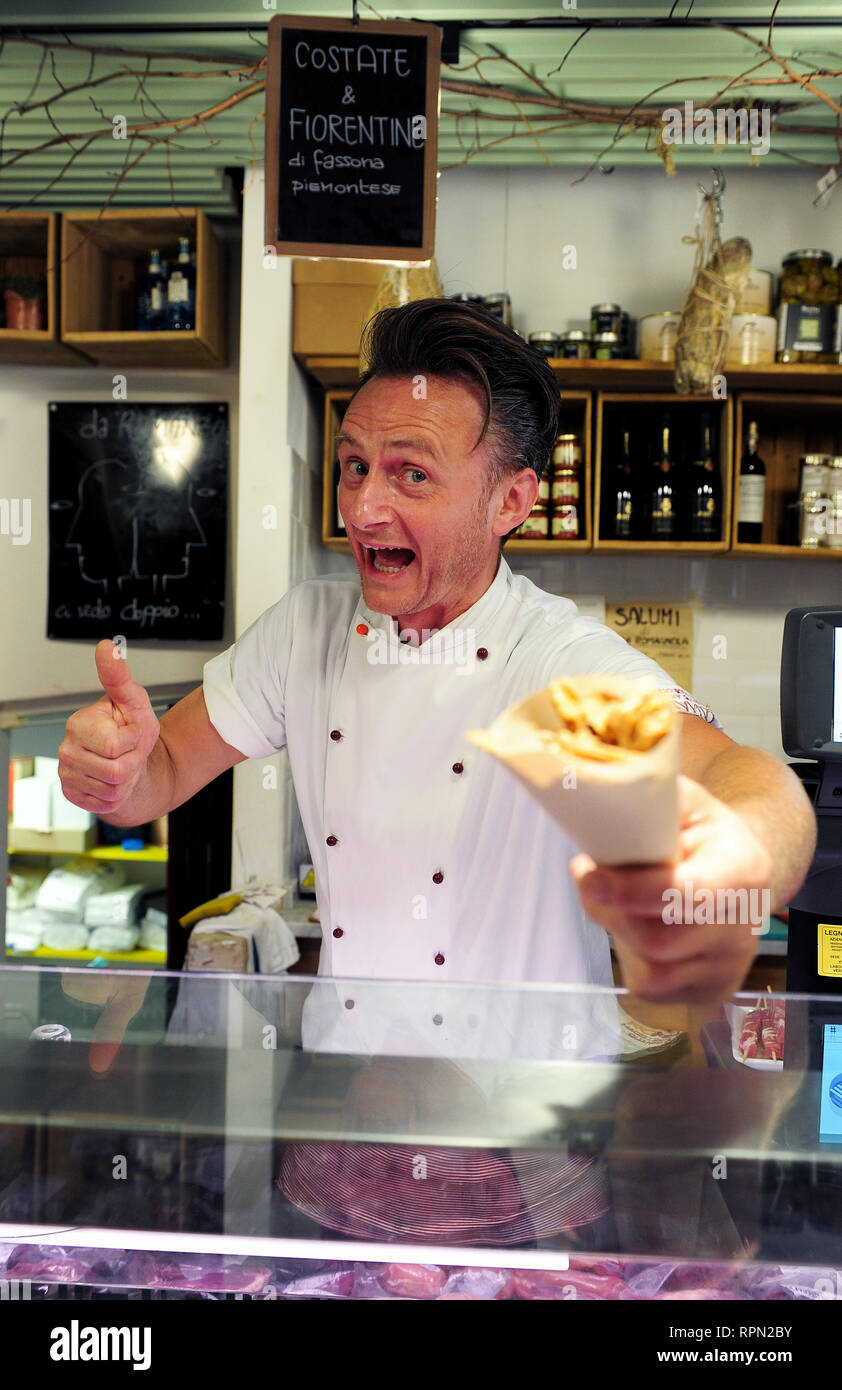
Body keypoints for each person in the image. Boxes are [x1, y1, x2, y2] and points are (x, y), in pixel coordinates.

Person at [57, 298, 817, 1249]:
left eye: (411, 473)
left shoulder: (556, 662)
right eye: (355, 466)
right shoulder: (309, 632)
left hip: (525, 1171)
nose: (365, 505)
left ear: (512, 501)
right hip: (337, 1143)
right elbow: (163, 773)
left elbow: (746, 782)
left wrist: (735, 857)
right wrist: (116, 769)